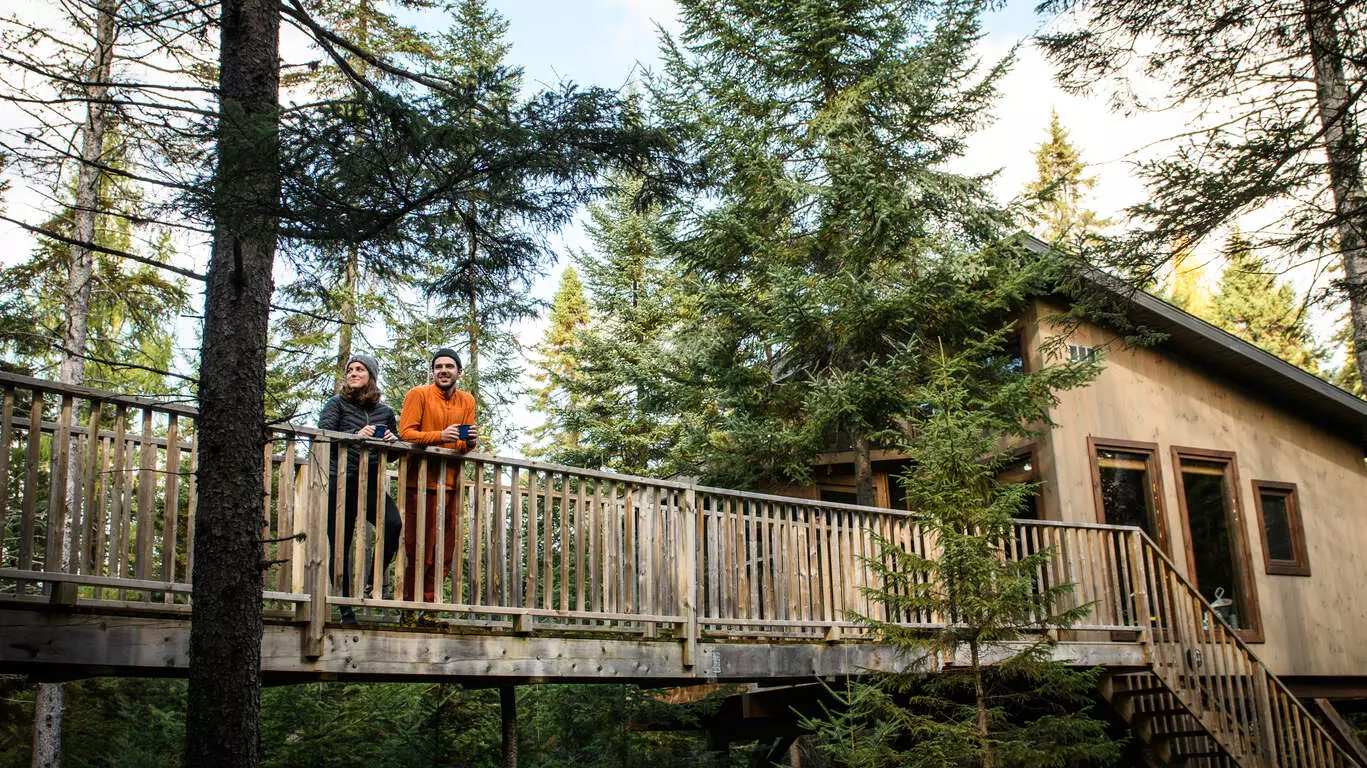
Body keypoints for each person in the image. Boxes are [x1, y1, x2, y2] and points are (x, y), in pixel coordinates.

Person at [317, 354, 403, 626]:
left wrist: (393, 441)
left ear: (371, 376)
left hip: (371, 482)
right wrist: (356, 435)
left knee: (393, 524)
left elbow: (392, 457)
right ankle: (345, 610)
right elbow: (323, 439)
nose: (353, 373)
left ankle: (373, 579)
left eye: (359, 369)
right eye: (350, 370)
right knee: (340, 543)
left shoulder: (385, 412)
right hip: (340, 481)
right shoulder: (336, 404)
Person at [398, 348, 479, 623]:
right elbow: (407, 433)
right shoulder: (418, 395)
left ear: (459, 372)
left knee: (444, 551)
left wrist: (469, 443)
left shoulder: (467, 400)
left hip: (450, 484)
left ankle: (429, 609)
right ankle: (409, 609)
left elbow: (461, 444)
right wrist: (440, 436)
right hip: (418, 483)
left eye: (449, 366)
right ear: (433, 371)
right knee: (417, 547)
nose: (444, 370)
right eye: (439, 366)